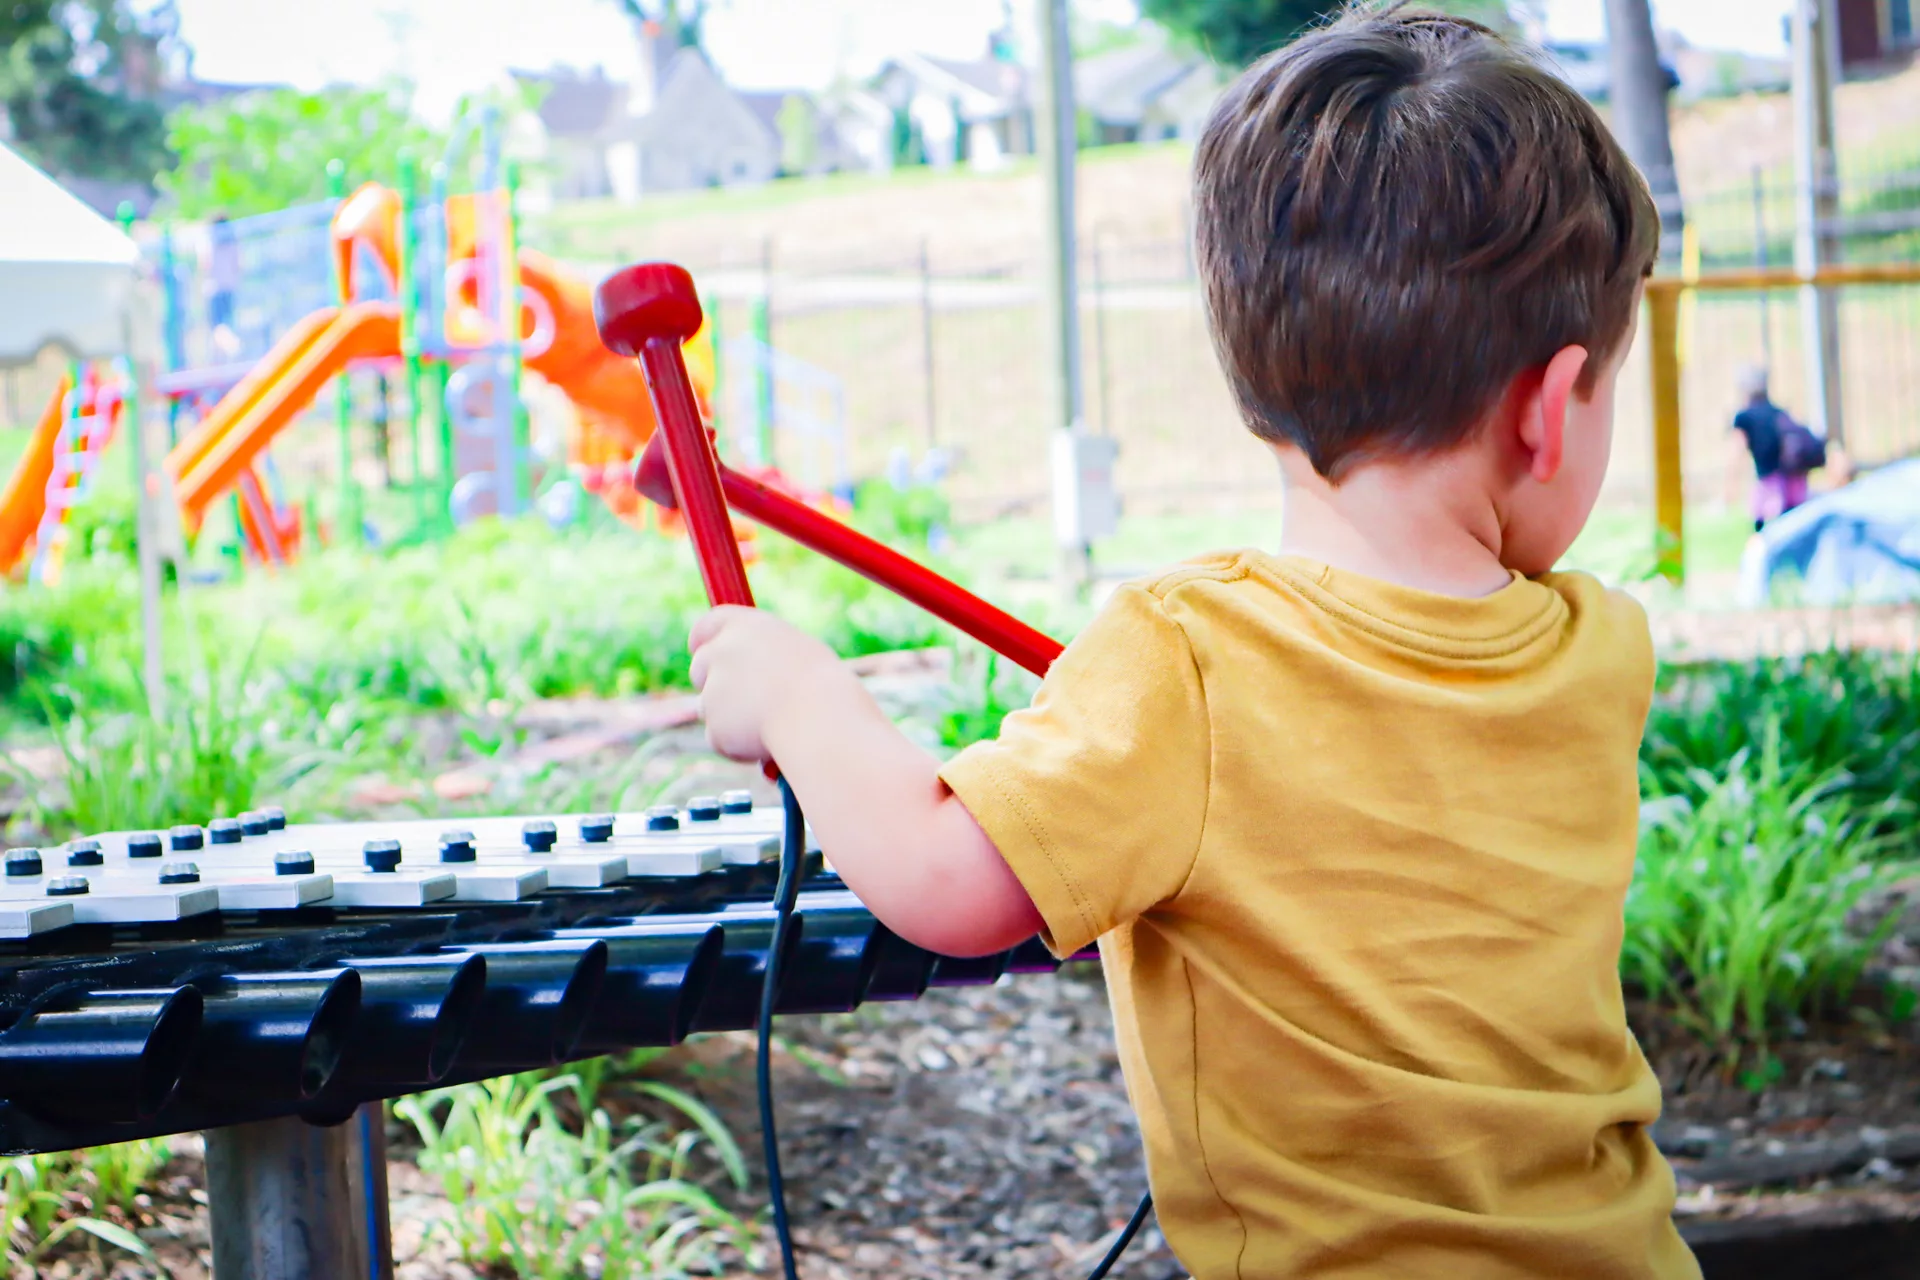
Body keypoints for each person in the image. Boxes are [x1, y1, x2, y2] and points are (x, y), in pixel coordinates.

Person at [685, 9, 1697, 1279]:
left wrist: (798, 693)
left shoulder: (1189, 661)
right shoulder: (1599, 650)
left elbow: (947, 884)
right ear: (1552, 412)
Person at [1731, 366, 1811, 531]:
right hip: (1792, 481)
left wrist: (1731, 483)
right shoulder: (1778, 412)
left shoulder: (1744, 417)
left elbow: (1736, 451)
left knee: (1764, 531)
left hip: (1769, 483)